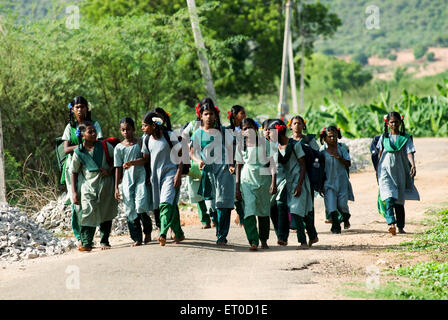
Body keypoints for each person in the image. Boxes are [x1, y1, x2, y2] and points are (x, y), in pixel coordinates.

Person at [190, 97, 235, 246]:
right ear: (200, 116)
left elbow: (230, 150)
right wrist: (198, 161)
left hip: (223, 171)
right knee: (211, 206)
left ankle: (222, 235)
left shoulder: (223, 131)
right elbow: (192, 152)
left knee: (223, 203)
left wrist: (231, 164)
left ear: (215, 115)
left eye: (211, 114)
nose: (209, 117)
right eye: (206, 114)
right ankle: (218, 227)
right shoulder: (197, 134)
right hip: (208, 173)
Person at [69, 121, 117, 252]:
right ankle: (86, 242)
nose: (94, 133)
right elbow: (73, 171)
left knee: (105, 211)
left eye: (94, 131)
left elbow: (116, 161)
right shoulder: (79, 152)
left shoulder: (105, 146)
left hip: (105, 184)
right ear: (83, 135)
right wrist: (74, 192)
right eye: (90, 132)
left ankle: (104, 240)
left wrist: (109, 171)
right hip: (87, 186)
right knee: (87, 212)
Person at [62, 96, 103, 247]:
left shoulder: (94, 125)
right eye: (77, 107)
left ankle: (90, 235)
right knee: (76, 200)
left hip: (90, 168)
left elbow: (99, 142)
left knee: (91, 199)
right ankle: (79, 236)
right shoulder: (70, 127)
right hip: (72, 169)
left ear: (87, 108)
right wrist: (83, 145)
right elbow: (66, 149)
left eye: (82, 106)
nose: (80, 110)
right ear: (72, 110)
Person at [140, 111, 185, 246]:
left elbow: (181, 156)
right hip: (156, 177)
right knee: (169, 204)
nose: (142, 128)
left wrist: (178, 174)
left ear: (153, 125)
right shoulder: (146, 139)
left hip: (171, 174)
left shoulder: (169, 136)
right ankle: (179, 233)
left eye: (144, 125)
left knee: (165, 203)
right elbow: (146, 160)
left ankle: (163, 233)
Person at [269, 119, 314, 249]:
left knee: (296, 211)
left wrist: (299, 185)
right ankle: (312, 235)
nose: (269, 136)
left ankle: (303, 242)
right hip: (285, 182)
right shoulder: (275, 147)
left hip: (298, 181)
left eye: (271, 133)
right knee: (297, 211)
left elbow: (303, 164)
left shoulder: (294, 144)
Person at [235, 118, 277, 250]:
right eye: (245, 129)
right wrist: (237, 187)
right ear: (242, 131)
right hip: (247, 180)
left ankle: (264, 239)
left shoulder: (265, 143)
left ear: (256, 128)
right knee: (249, 210)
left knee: (264, 211)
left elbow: (271, 163)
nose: (248, 131)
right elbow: (238, 166)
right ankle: (253, 240)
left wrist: (273, 182)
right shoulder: (241, 145)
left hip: (264, 179)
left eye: (250, 127)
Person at [377, 112, 419, 235]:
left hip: (400, 171)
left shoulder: (405, 138)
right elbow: (380, 153)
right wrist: (377, 170)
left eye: (396, 122)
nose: (394, 124)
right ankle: (391, 223)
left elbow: (409, 152)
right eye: (391, 122)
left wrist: (413, 165)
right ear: (387, 123)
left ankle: (400, 226)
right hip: (385, 171)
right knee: (388, 197)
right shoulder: (383, 138)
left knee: (399, 201)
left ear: (400, 123)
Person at [114, 117, 153, 247]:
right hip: (127, 180)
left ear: (133, 129)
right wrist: (116, 187)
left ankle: (147, 231)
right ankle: (137, 238)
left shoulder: (141, 143)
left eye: (128, 129)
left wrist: (133, 163)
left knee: (141, 205)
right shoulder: (119, 148)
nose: (126, 132)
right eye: (123, 130)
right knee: (130, 208)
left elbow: (145, 160)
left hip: (140, 176)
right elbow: (118, 167)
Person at [288, 115, 319, 245]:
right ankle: (308, 236)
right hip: (292, 179)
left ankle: (309, 236)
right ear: (290, 126)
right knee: (296, 209)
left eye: (299, 123)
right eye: (294, 123)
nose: (297, 126)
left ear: (303, 125)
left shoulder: (308, 139)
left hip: (307, 178)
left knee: (308, 209)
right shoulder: (288, 142)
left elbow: (318, 156)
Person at [319, 126, 354, 234]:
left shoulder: (341, 148)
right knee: (331, 205)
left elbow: (349, 163)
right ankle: (335, 226)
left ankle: (346, 217)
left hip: (342, 181)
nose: (332, 139)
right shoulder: (322, 151)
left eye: (334, 136)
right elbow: (318, 167)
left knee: (342, 205)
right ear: (324, 138)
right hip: (328, 182)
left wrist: (340, 158)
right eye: (329, 137)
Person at [181, 119, 213, 229]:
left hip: (211, 161)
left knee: (212, 190)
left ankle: (213, 217)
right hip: (196, 161)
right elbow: (184, 136)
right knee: (197, 192)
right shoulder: (193, 125)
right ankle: (205, 220)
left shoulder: (215, 125)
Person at [226, 105, 246, 227]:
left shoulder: (247, 129)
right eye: (242, 113)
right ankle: (241, 215)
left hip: (246, 164)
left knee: (245, 190)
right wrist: (230, 164)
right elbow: (228, 148)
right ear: (234, 115)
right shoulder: (228, 130)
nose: (244, 116)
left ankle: (243, 215)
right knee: (236, 193)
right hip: (234, 165)